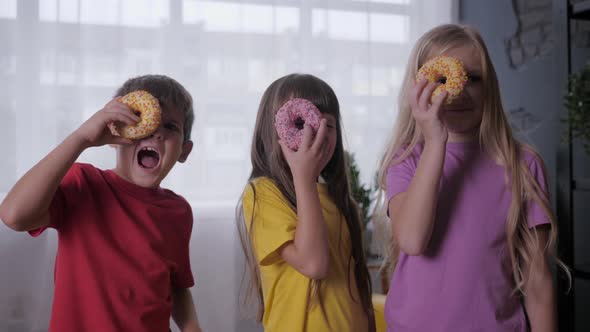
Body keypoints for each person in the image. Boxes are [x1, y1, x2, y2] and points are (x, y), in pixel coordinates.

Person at [376, 24, 569, 332]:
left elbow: (538, 281)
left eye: (474, 79)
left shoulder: (522, 165)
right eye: (443, 80)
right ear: (419, 89)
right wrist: (436, 141)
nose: (459, 90)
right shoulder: (407, 159)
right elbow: (412, 239)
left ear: (489, 86)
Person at [0, 75, 202, 332]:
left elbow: (176, 284)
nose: (155, 132)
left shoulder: (179, 212)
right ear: (116, 130)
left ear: (184, 150)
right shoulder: (84, 184)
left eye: (171, 127)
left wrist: (192, 326)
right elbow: (13, 215)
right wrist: (82, 138)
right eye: (140, 120)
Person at [237, 73, 376, 332]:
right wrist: (304, 178)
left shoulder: (343, 202)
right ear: (271, 131)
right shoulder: (263, 194)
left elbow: (358, 290)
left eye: (329, 126)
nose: (315, 132)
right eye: (301, 123)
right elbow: (314, 264)